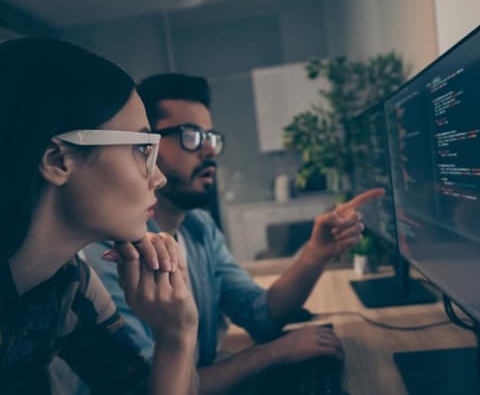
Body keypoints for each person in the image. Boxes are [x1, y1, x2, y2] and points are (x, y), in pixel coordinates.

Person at [84, 73, 384, 394]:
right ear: (146, 146)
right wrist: (277, 352)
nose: (209, 151)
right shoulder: (109, 255)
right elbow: (148, 389)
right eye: (191, 136)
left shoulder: (199, 228)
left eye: (210, 138)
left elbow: (260, 314)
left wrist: (316, 253)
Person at [0, 39, 199, 394]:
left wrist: (175, 335)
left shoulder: (70, 285)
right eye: (142, 149)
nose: (159, 177)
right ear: (57, 161)